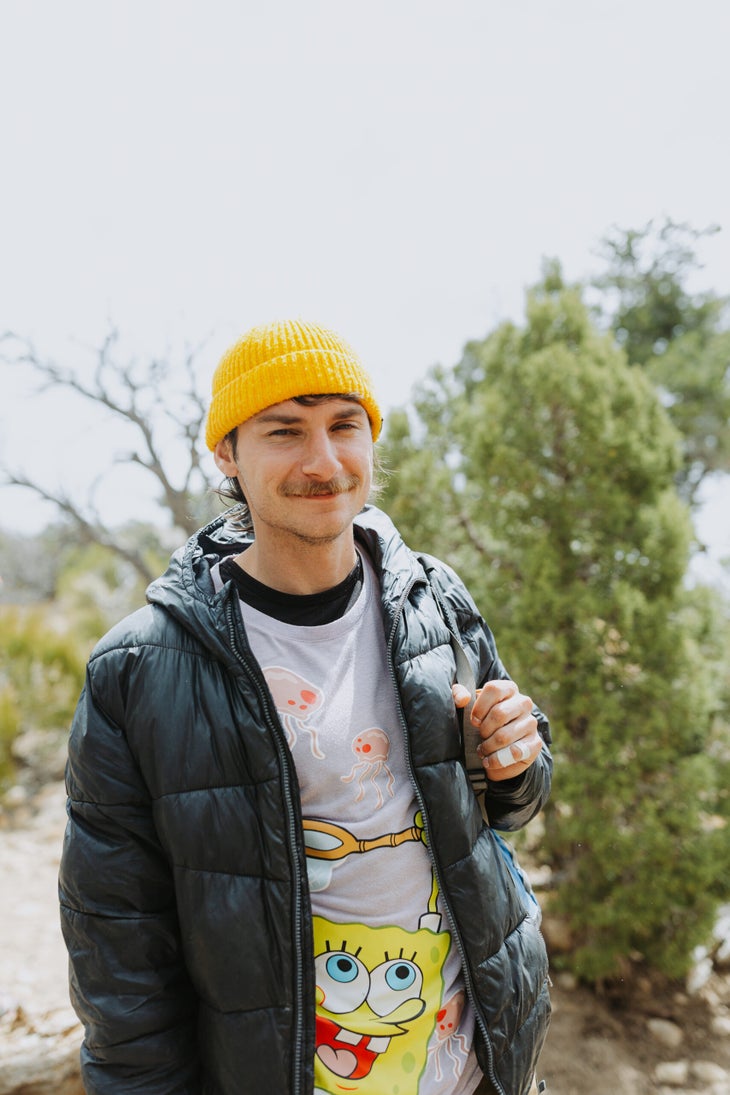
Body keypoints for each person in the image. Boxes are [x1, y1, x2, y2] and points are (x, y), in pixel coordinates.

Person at [59, 319, 552, 1095]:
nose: (323, 461)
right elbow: (118, 948)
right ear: (227, 453)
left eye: (343, 426)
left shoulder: (433, 597)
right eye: (285, 431)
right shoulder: (140, 669)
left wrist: (517, 761)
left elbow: (512, 798)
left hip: (473, 1069)